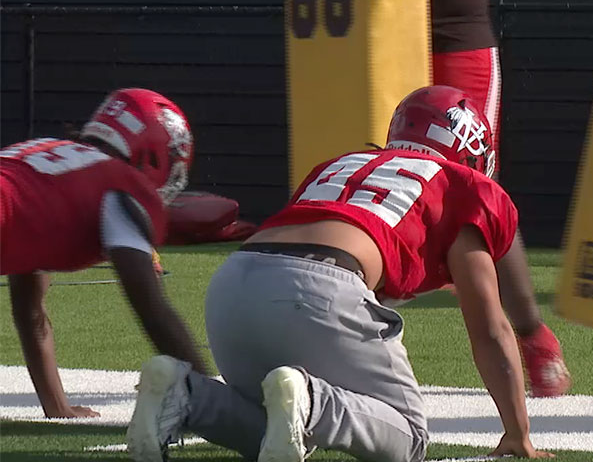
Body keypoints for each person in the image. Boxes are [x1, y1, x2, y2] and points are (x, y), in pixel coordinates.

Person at [264, 0, 570, 398]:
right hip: (373, 41)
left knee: (474, 193)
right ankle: (344, 331)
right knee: (367, 181)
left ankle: (529, 334)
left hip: (451, 38)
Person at [127, 86, 550, 462]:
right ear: (472, 148)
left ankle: (186, 395)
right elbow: (491, 329)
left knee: (275, 425)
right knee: (408, 436)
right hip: (321, 285)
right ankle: (312, 402)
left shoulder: (344, 164)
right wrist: (518, 434)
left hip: (234, 283)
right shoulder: (463, 185)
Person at [0, 88, 206, 419]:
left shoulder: (50, 162)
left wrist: (57, 407)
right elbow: (151, 308)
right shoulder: (120, 183)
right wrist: (210, 395)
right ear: (153, 153)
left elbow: (30, 311)